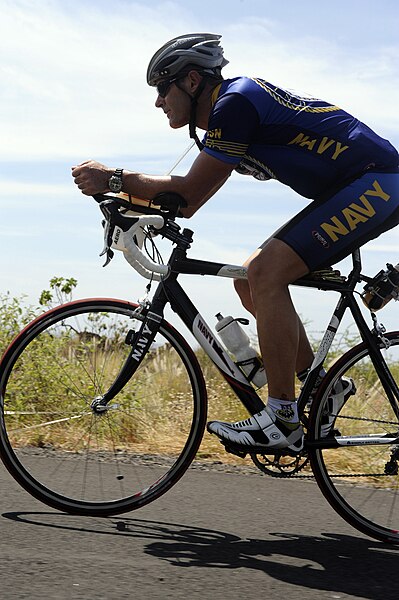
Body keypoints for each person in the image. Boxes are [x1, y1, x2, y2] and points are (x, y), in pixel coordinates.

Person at [72, 33, 399, 454]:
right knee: (250, 279)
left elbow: (189, 192)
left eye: (161, 88)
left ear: (191, 81)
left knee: (266, 271)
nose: (158, 102)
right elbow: (186, 204)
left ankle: (282, 417)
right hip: (360, 186)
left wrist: (114, 179)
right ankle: (322, 390)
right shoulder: (230, 114)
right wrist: (119, 201)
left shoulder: (236, 103)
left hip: (379, 182)